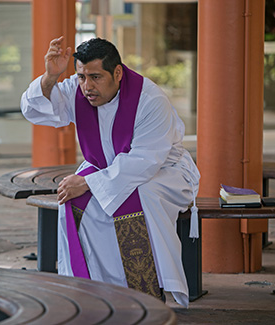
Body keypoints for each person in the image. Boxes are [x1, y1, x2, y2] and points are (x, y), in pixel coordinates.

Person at [20, 37, 200, 307]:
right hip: (107, 169)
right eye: (81, 76)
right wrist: (50, 76)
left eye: (95, 77)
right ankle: (92, 289)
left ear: (117, 72)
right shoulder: (79, 89)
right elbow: (34, 109)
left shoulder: (150, 100)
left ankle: (149, 293)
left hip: (163, 171)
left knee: (141, 195)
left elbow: (145, 161)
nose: (87, 86)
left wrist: (89, 182)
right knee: (73, 198)